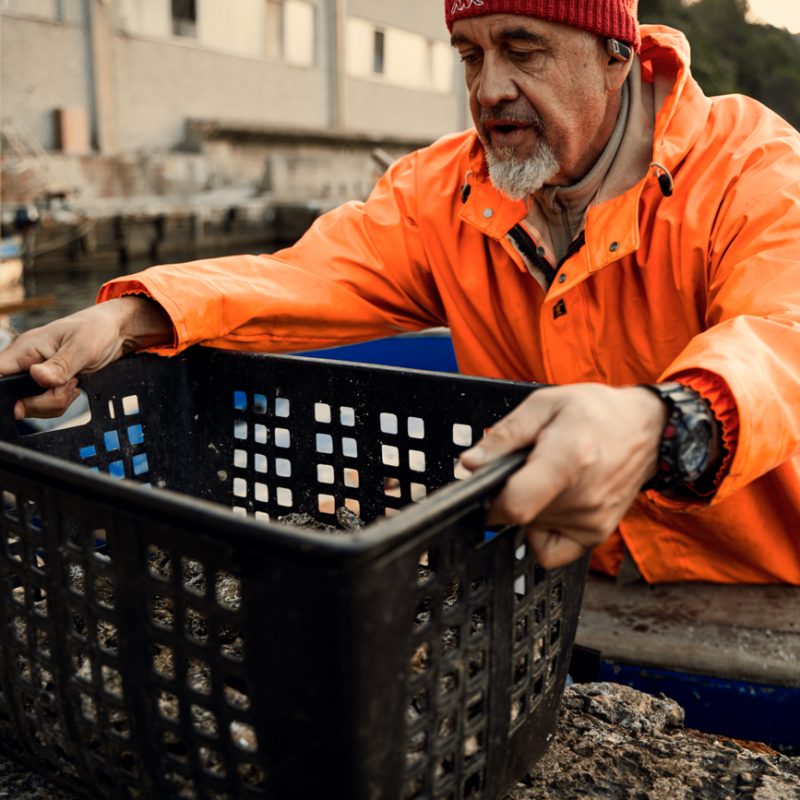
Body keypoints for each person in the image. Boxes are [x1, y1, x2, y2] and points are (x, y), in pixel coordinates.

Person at [2, 0, 799, 584]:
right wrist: (127, 316)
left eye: (523, 50)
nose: (489, 89)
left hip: (749, 582)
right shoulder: (443, 189)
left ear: (615, 54)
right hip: (566, 570)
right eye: (470, 55)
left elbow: (781, 337)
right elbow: (307, 274)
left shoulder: (750, 166)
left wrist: (665, 423)